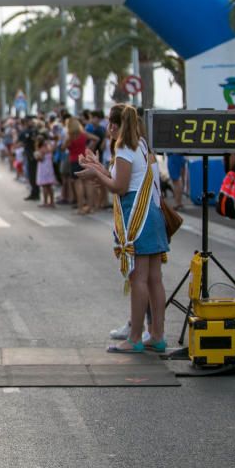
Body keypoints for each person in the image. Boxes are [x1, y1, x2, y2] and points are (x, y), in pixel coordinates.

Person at [77, 104, 168, 354]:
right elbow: (126, 179)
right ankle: (157, 335)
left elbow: (119, 186)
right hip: (152, 214)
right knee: (154, 279)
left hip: (137, 218)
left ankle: (136, 337)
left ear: (114, 125)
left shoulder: (124, 148)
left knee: (138, 278)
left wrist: (95, 176)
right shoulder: (140, 145)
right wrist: (97, 168)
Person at [63, 117, 99, 215]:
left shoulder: (70, 137)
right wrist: (88, 149)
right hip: (84, 159)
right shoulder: (83, 134)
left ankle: (80, 207)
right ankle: (90, 207)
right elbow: (96, 139)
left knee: (78, 184)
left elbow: (63, 148)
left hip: (74, 161)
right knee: (88, 183)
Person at [35, 134, 57, 208]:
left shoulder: (42, 149)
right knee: (50, 186)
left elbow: (40, 158)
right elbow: (53, 149)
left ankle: (45, 202)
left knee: (44, 186)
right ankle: (52, 202)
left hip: (43, 169)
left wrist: (37, 155)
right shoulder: (49, 147)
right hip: (49, 168)